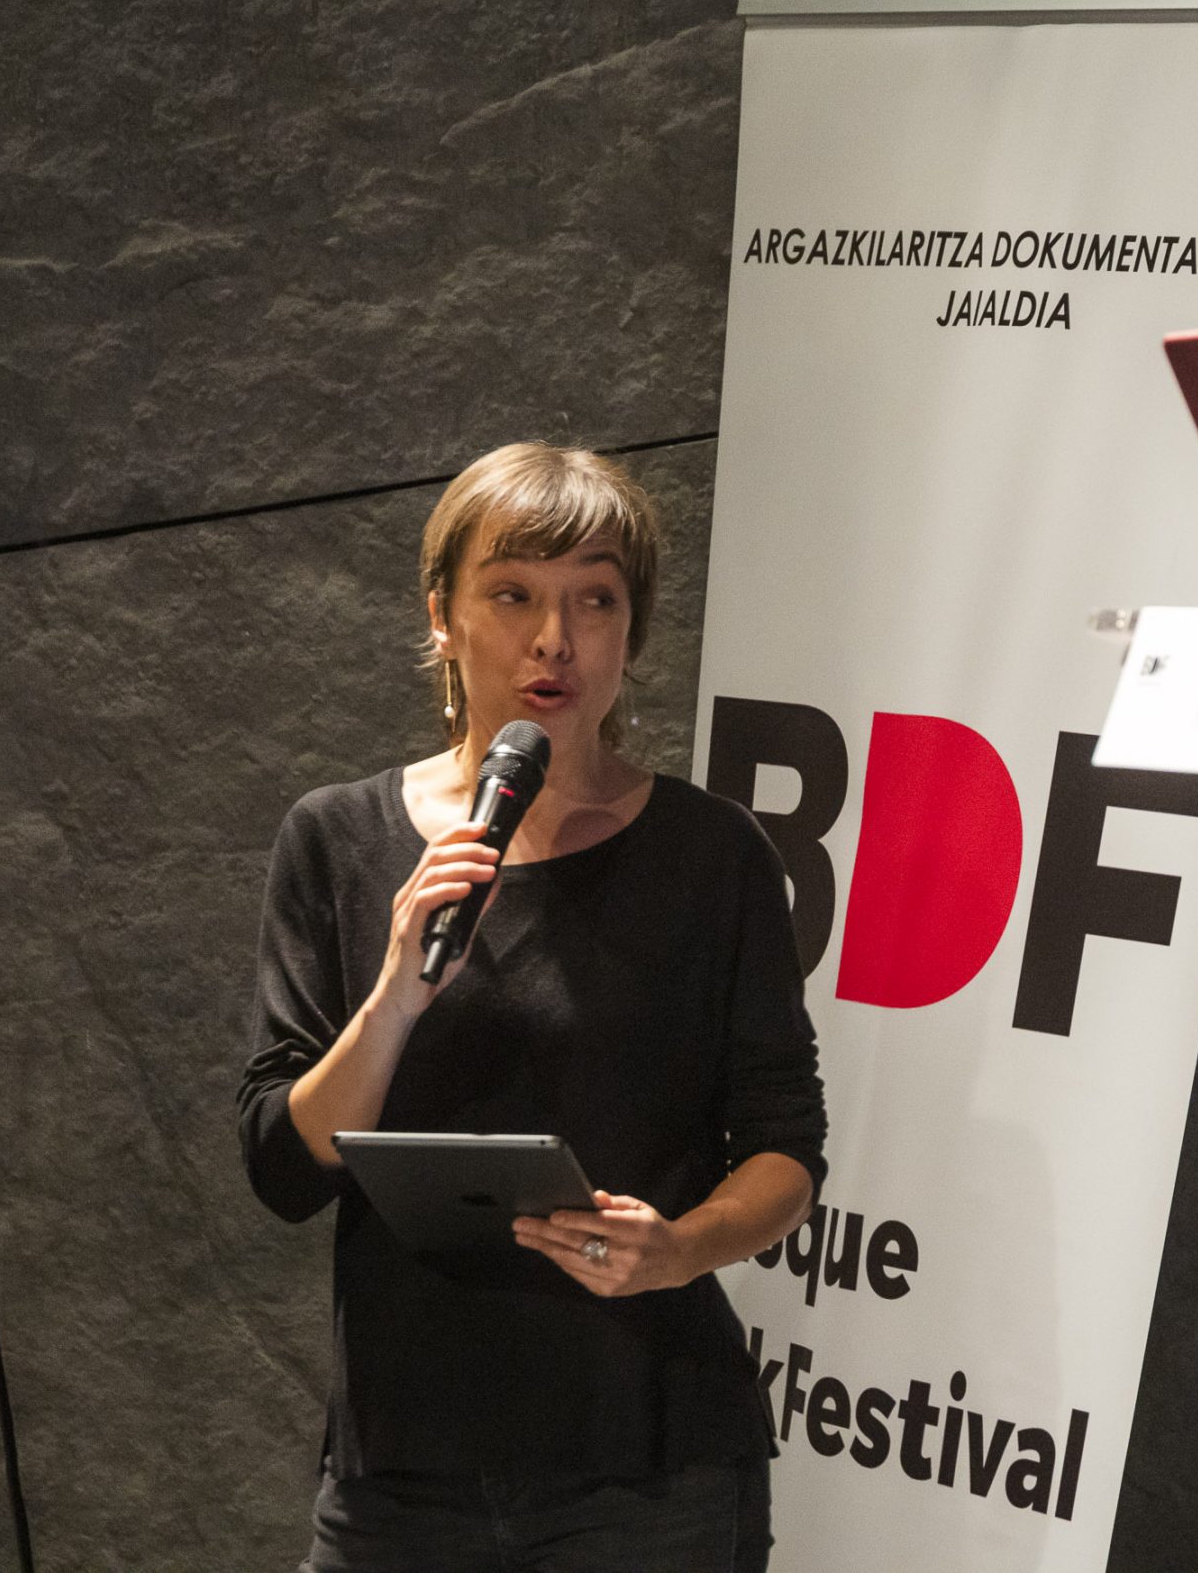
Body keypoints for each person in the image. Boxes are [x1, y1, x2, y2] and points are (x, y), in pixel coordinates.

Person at [238, 442, 825, 1573]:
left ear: (629, 633)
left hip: (651, 1466)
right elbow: (280, 1167)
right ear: (442, 618)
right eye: (512, 594)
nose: (554, 638)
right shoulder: (337, 838)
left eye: (594, 600)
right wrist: (396, 994)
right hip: (403, 1470)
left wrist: (678, 1248)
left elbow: (786, 1147)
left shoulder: (712, 854)